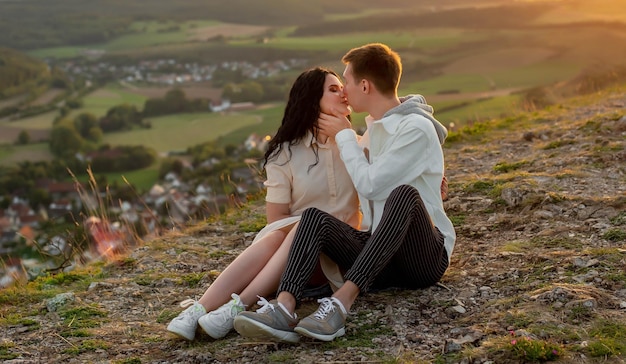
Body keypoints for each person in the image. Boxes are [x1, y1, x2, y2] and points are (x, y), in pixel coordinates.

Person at [233, 43, 456, 343]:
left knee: (404, 195)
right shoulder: (373, 133)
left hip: (422, 260)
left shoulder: (415, 128)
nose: (344, 91)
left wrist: (343, 136)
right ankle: (284, 307)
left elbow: (370, 184)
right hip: (379, 260)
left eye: (347, 82)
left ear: (364, 85)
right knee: (313, 218)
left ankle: (340, 305)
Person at [166, 67, 360, 341]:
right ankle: (201, 309)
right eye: (332, 89)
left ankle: (238, 306)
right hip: (293, 262)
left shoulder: (358, 147)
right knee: (275, 237)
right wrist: (302, 227)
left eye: (342, 87)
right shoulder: (285, 153)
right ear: (311, 98)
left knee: (304, 224)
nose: (343, 94)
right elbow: (276, 220)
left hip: (337, 259)